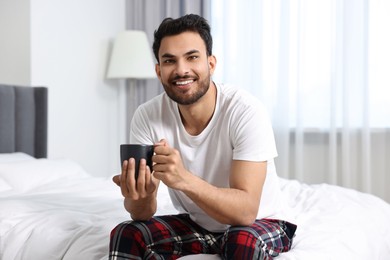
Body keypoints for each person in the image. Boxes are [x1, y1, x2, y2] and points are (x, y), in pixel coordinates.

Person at [109, 14, 296, 260]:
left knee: (240, 240)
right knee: (128, 233)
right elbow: (142, 213)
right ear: (158, 70)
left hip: (261, 222)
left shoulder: (245, 111)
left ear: (211, 63)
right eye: (169, 61)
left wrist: (183, 178)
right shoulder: (147, 116)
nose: (181, 70)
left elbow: (246, 212)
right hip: (200, 226)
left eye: (192, 57)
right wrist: (138, 195)